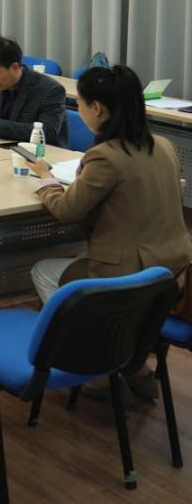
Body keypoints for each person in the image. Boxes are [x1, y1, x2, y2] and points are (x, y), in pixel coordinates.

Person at [26, 65, 192, 401]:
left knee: (43, 271)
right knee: (79, 255)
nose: (79, 110)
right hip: (171, 271)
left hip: (128, 272)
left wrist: (46, 181)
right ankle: (131, 362)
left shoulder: (105, 156)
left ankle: (94, 366)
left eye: (80, 104)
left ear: (97, 108)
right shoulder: (163, 146)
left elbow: (67, 211)